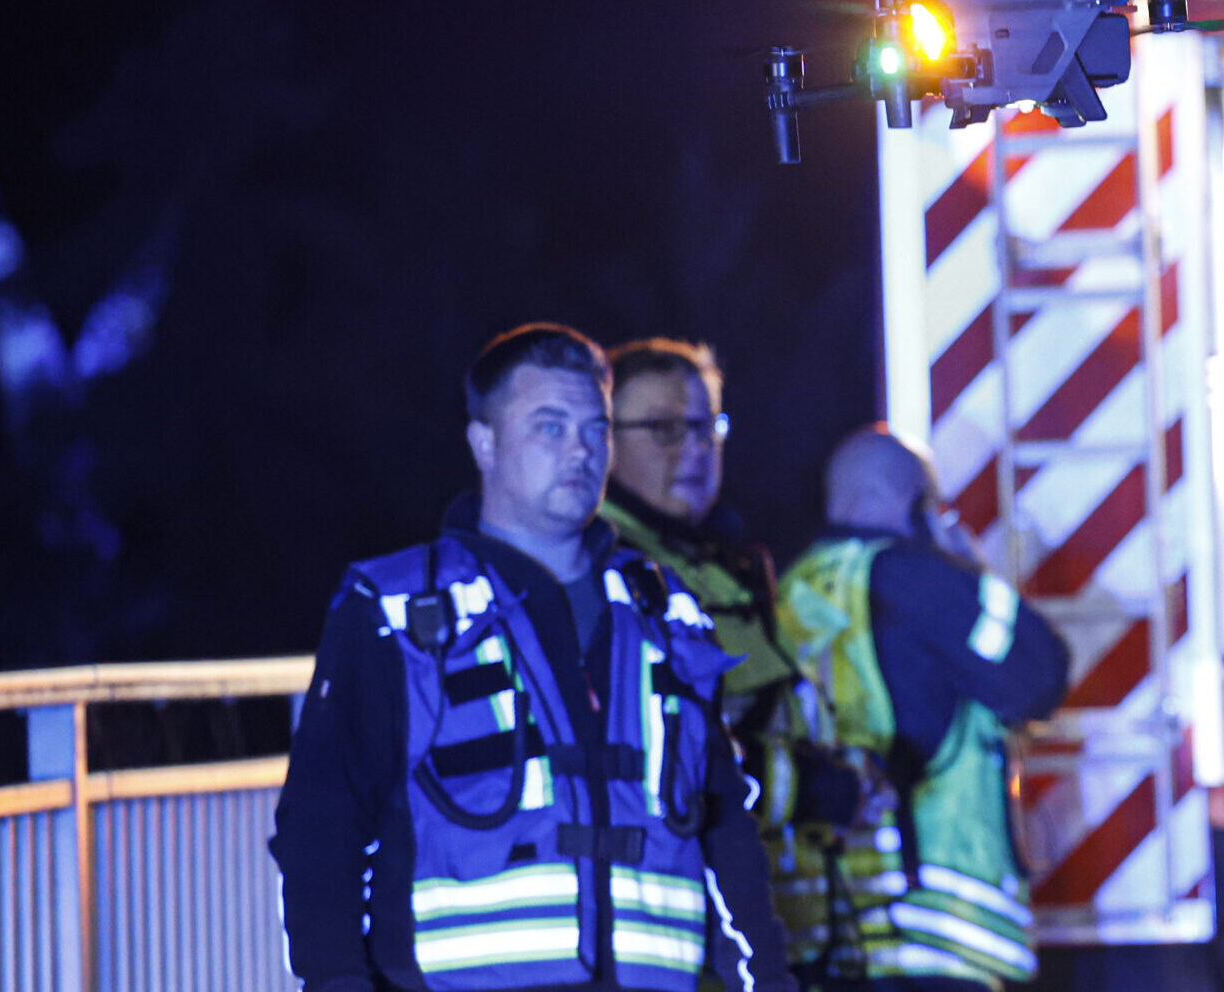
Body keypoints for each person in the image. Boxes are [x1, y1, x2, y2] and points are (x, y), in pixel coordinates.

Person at [270, 324, 794, 992]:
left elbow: (727, 838)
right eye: (550, 427)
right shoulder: (395, 610)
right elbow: (321, 828)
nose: (579, 450)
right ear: (484, 442)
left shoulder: (667, 613)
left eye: (595, 429)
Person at [761, 427, 1068, 991]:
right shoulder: (917, 579)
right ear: (912, 504)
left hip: (825, 937)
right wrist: (967, 571)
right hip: (930, 937)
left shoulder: (790, 590)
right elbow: (1039, 674)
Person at [600, 338, 791, 720]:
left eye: (706, 426)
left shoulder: (729, 564)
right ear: (605, 439)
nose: (694, 448)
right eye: (663, 428)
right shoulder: (596, 566)